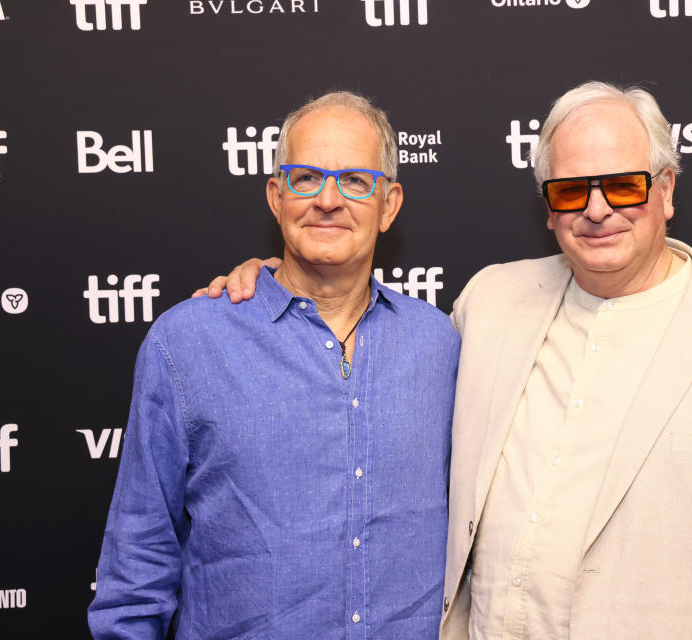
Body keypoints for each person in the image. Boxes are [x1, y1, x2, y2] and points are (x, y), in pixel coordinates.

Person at [204, 81, 692, 639]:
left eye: (625, 185)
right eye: (571, 190)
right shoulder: (490, 304)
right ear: (548, 209)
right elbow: (336, 306)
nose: (598, 209)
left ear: (666, 189)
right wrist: (275, 280)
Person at [89, 91, 460, 639]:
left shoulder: (442, 345)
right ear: (276, 196)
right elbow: (138, 565)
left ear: (390, 205)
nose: (328, 200)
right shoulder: (189, 343)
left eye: (356, 181)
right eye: (306, 177)